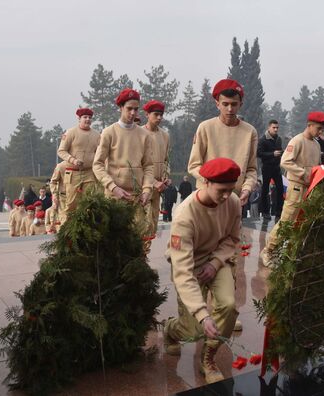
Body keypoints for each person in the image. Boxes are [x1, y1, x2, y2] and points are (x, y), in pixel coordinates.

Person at [163, 158, 241, 384]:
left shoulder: (233, 201)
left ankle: (208, 358)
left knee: (227, 305)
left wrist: (215, 263)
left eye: (230, 190)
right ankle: (170, 329)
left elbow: (232, 239)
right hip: (189, 265)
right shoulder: (184, 216)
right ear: (205, 182)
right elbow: (183, 272)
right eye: (222, 190)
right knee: (193, 331)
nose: (227, 196)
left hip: (217, 259)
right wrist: (202, 313)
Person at [261, 111, 324, 265]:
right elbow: (285, 162)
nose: (320, 132)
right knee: (287, 221)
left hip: (310, 189)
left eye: (322, 129)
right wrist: (304, 173)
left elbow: (317, 166)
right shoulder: (297, 141)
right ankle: (268, 251)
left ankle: (291, 252)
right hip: (296, 187)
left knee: (303, 222)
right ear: (309, 125)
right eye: (318, 128)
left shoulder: (317, 144)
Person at [93, 88, 155, 242]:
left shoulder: (144, 135)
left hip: (138, 196)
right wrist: (113, 187)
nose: (133, 113)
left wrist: (147, 189)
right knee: (114, 240)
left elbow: (148, 166)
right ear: (120, 107)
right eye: (129, 109)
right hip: (115, 196)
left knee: (138, 239)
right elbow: (98, 164)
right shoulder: (108, 132)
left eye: (136, 109)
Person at [187, 79, 258, 207]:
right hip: (207, 197)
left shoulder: (250, 132)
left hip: (235, 198)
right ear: (217, 104)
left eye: (234, 104)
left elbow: (251, 169)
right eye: (225, 104)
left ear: (240, 104)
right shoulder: (205, 128)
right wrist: (214, 184)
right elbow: (194, 165)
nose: (230, 109)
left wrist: (247, 188)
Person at [57, 108, 101, 215]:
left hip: (90, 173)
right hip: (73, 172)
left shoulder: (97, 135)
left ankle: (87, 228)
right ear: (79, 119)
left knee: (90, 202)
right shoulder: (70, 132)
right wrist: (73, 160)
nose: (87, 120)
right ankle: (67, 228)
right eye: (85, 117)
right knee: (71, 204)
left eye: (90, 118)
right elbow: (61, 151)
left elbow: (101, 153)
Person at [142, 100, 171, 235]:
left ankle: (145, 253)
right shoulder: (139, 134)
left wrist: (166, 176)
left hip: (159, 188)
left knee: (153, 224)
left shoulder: (165, 135)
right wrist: (153, 182)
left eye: (161, 115)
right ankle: (140, 255)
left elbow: (166, 160)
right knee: (143, 223)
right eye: (156, 114)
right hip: (143, 187)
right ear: (147, 114)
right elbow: (137, 164)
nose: (159, 118)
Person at [257, 120, 284, 220]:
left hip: (276, 167)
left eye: (277, 128)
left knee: (280, 189)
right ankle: (265, 212)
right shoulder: (263, 139)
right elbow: (259, 153)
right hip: (267, 167)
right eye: (274, 127)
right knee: (265, 190)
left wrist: (282, 153)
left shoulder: (279, 139)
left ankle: (278, 212)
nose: (276, 129)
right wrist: (272, 154)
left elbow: (279, 150)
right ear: (269, 128)